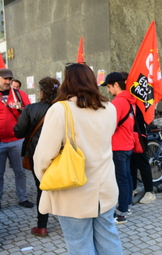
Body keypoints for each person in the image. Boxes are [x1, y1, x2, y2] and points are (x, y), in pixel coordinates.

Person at [33, 63, 122, 254]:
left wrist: (47, 180)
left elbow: (43, 157)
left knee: (79, 244)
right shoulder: (109, 108)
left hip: (73, 190)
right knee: (109, 238)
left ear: (67, 82)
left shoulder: (61, 110)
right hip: (105, 188)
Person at [14, 77, 60, 236]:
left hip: (37, 155)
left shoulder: (31, 109)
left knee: (42, 188)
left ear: (41, 92)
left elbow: (18, 131)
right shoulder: (64, 108)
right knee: (63, 186)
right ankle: (67, 219)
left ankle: (42, 226)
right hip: (60, 155)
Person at [101, 72, 136, 224]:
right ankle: (127, 205)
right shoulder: (131, 101)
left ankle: (121, 212)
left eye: (109, 87)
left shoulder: (117, 103)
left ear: (116, 84)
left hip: (118, 146)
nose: (108, 90)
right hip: (128, 144)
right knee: (127, 177)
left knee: (121, 180)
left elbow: (110, 127)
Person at [120, 72, 156, 204]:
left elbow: (143, 116)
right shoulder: (128, 98)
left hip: (139, 134)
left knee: (142, 163)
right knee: (132, 164)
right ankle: (133, 188)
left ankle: (149, 191)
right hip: (129, 135)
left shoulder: (138, 97)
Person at [0, 68, 33, 209]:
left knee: (20, 171)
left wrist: (22, 109)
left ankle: (23, 197)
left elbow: (31, 112)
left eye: (10, 79)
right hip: (0, 141)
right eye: (5, 79)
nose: (8, 82)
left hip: (17, 140)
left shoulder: (20, 94)